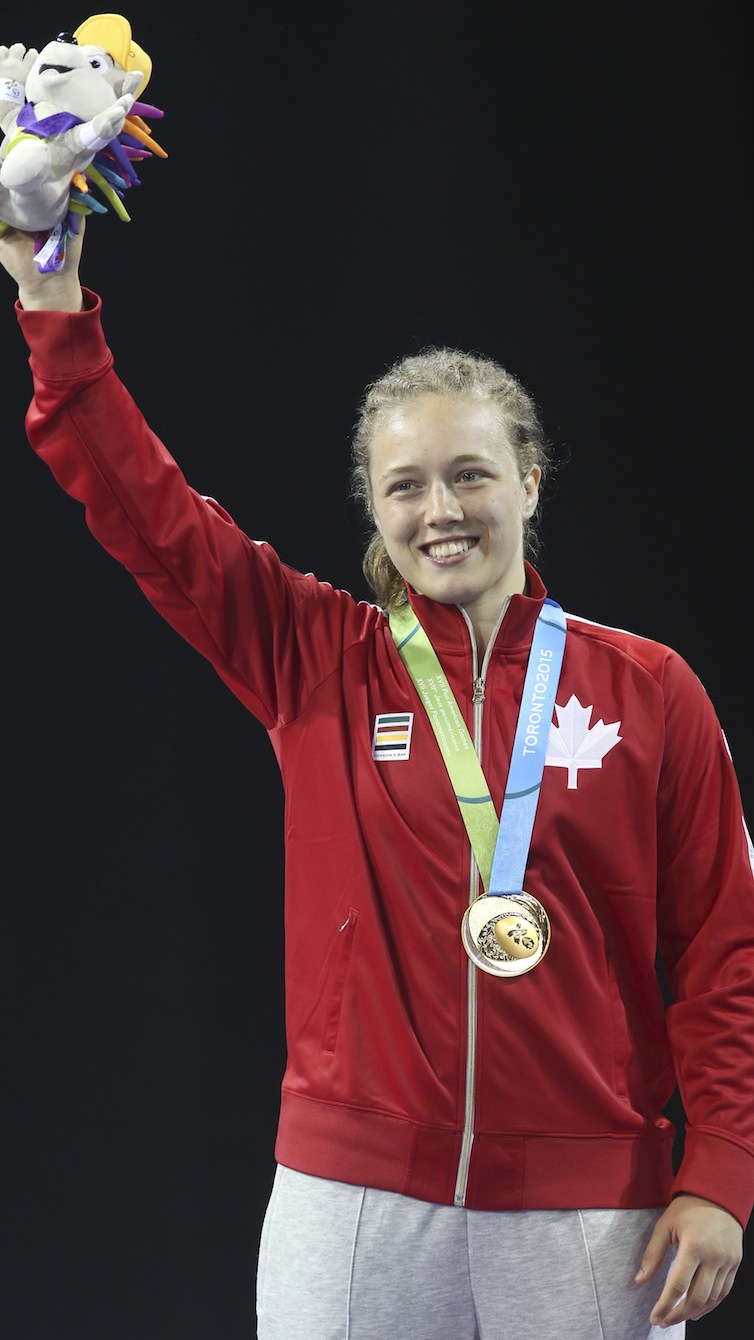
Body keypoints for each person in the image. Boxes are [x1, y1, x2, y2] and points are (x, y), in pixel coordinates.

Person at [2, 221, 753, 1340]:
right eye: (405, 485)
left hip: (592, 1206)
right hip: (351, 1196)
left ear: (529, 479)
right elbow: (148, 510)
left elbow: (725, 947)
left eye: (469, 475)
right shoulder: (314, 656)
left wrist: (723, 1170)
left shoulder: (651, 688)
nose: (440, 510)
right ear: (373, 506)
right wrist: (50, 299)